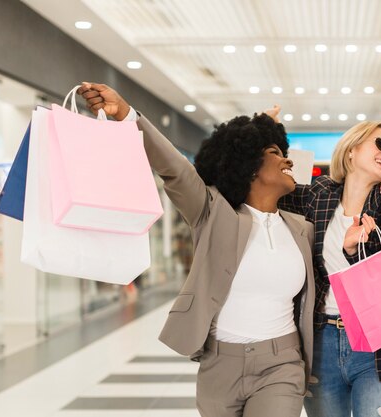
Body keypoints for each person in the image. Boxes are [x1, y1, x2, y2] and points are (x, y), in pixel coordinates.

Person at [78, 83, 315, 417]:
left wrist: (263, 126)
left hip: (282, 364)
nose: (287, 159)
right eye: (275, 153)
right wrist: (128, 116)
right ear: (247, 165)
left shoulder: (302, 227)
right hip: (220, 366)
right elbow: (173, 167)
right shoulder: (213, 213)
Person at [274, 110, 381, 417]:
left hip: (379, 347)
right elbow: (271, 192)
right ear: (352, 149)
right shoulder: (320, 195)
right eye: (380, 144)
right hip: (322, 341)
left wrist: (353, 252)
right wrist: (268, 133)